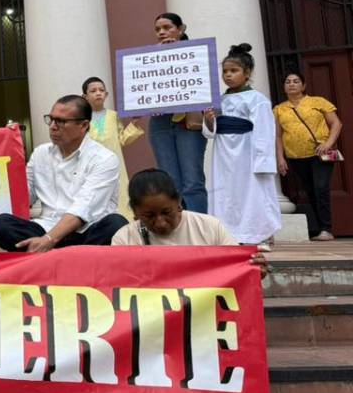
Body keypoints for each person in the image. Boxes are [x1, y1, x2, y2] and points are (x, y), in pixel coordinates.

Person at [0, 95, 127, 251]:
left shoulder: (104, 159)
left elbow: (84, 209)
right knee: (1, 225)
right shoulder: (40, 153)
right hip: (46, 227)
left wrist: (49, 239)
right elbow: (22, 199)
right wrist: (14, 156)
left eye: (61, 121)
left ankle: (55, 257)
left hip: (87, 232)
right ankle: (65, 257)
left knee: (116, 224)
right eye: (51, 119)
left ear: (83, 125)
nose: (53, 126)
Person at [113, 169, 268, 277]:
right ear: (135, 212)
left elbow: (238, 267)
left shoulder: (210, 227)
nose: (160, 223)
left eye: (167, 213)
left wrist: (253, 269)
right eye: (149, 216)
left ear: (179, 203)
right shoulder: (123, 239)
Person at [202, 44, 281, 245]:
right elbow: (210, 131)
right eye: (225, 71)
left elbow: (264, 131)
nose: (228, 75)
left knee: (253, 193)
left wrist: (263, 162)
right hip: (223, 154)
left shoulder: (257, 99)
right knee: (227, 194)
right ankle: (231, 236)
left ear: (247, 73)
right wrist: (210, 119)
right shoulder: (219, 100)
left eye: (234, 71)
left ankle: (260, 235)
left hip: (247, 152)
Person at [146, 12, 208, 213]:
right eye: (157, 29)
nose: (162, 32)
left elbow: (204, 85)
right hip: (160, 123)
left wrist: (178, 53)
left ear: (181, 29)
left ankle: (198, 228)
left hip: (188, 123)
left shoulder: (196, 54)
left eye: (167, 27)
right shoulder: (147, 58)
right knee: (169, 180)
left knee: (192, 181)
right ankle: (177, 227)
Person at [274, 70, 343, 241]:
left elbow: (336, 124)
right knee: (311, 191)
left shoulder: (318, 102)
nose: (291, 84)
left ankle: (326, 229)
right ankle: (322, 228)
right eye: (288, 81)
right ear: (284, 87)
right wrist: (280, 158)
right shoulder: (279, 109)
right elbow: (278, 135)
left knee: (321, 188)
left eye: (296, 81)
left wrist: (328, 144)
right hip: (296, 157)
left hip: (320, 154)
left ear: (303, 85)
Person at [82, 77, 143, 220]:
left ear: (106, 94)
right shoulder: (81, 118)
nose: (98, 93)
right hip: (91, 167)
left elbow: (122, 139)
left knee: (120, 198)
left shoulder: (113, 116)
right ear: (85, 96)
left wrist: (134, 123)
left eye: (102, 90)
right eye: (93, 91)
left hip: (115, 166)